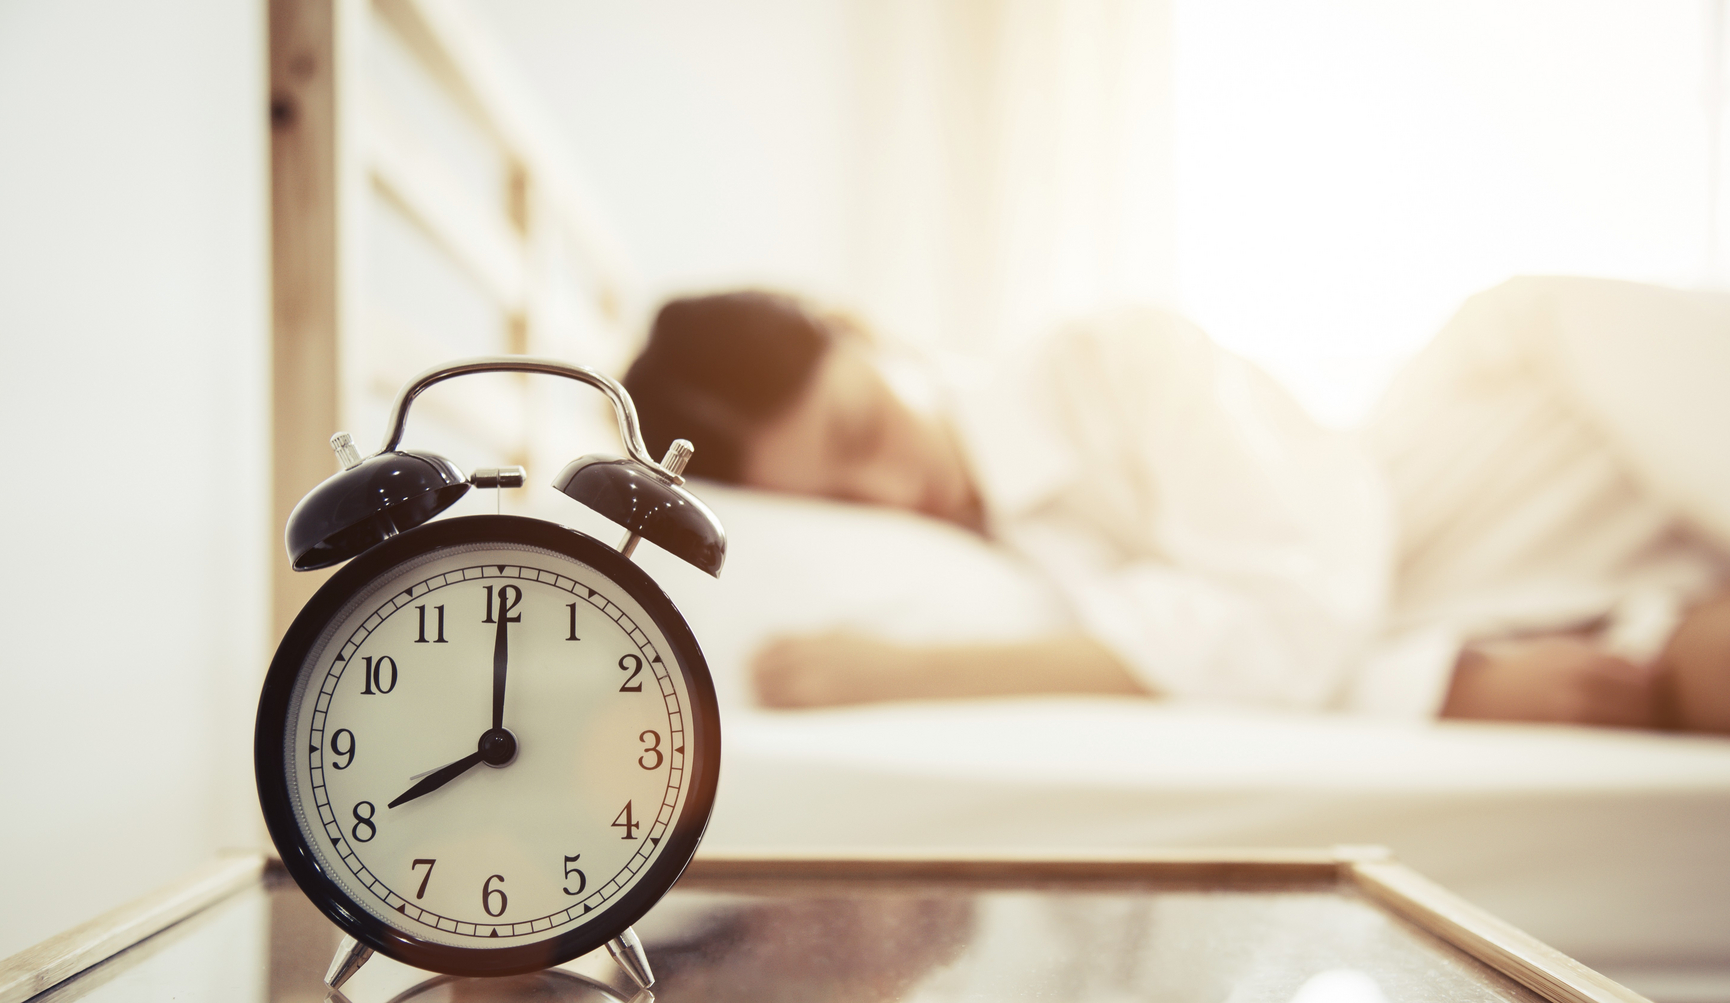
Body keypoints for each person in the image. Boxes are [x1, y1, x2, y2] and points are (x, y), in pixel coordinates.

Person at [620, 282, 1730, 733]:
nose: (886, 493)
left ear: (872, 339)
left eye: (860, 434)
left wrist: (906, 676)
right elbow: (1248, 637)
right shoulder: (1006, 561)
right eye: (834, 501)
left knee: (1527, 320)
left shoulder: (1108, 360)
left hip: (1549, 434)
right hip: (1529, 591)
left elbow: (1293, 609)